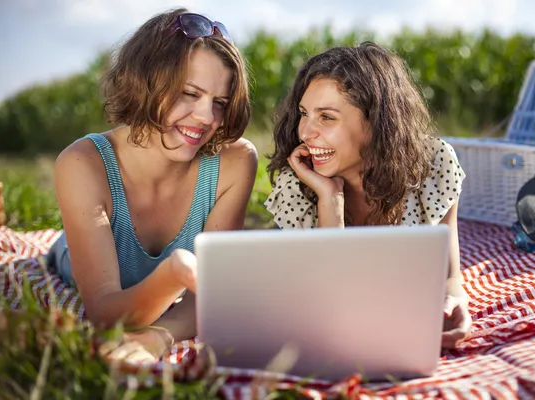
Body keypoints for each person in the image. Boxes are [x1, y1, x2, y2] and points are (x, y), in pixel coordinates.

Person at [48, 8, 257, 359]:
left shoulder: (235, 163)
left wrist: (162, 335)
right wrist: (175, 272)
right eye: (190, 93)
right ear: (146, 82)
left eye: (219, 102)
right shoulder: (83, 163)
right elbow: (104, 313)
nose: (207, 118)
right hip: (71, 256)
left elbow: (209, 296)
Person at [265, 42, 471, 349]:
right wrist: (330, 199)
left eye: (326, 117)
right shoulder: (297, 184)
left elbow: (449, 274)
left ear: (376, 122)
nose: (306, 132)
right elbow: (330, 304)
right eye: (304, 114)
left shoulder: (435, 165)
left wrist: (454, 301)